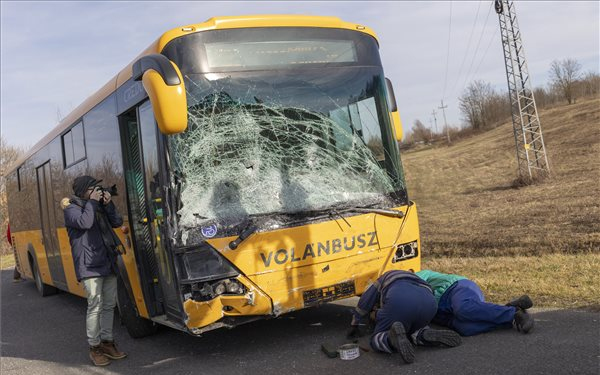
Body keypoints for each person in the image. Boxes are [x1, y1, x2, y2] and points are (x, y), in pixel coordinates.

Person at [63, 175, 127, 366]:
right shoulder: (71, 209)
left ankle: (107, 342)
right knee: (95, 305)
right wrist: (92, 202)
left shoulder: (97, 205)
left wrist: (108, 204)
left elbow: (116, 222)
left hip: (107, 260)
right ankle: (94, 347)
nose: (97, 192)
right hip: (89, 264)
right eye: (93, 188)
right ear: (84, 190)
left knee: (109, 305)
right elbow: (85, 223)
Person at [350, 270, 461, 364]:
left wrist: (355, 322)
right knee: (414, 328)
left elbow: (364, 303)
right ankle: (423, 334)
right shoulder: (416, 277)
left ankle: (389, 339)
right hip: (430, 303)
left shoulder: (383, 278)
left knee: (376, 339)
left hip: (399, 301)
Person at [416, 269, 534, 336]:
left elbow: (417, 284)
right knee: (465, 329)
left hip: (456, 288)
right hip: (445, 315)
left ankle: (514, 313)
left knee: (464, 309)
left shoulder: (414, 276)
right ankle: (510, 319)